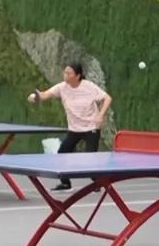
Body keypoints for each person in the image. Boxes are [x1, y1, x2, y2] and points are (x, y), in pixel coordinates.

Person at [28, 63, 112, 192]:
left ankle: (98, 182)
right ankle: (65, 183)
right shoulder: (62, 87)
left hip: (91, 128)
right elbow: (45, 94)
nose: (65, 75)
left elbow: (107, 98)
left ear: (77, 76)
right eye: (65, 72)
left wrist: (100, 115)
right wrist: (36, 97)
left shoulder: (89, 87)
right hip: (74, 129)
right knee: (62, 154)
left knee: (91, 161)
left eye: (69, 73)